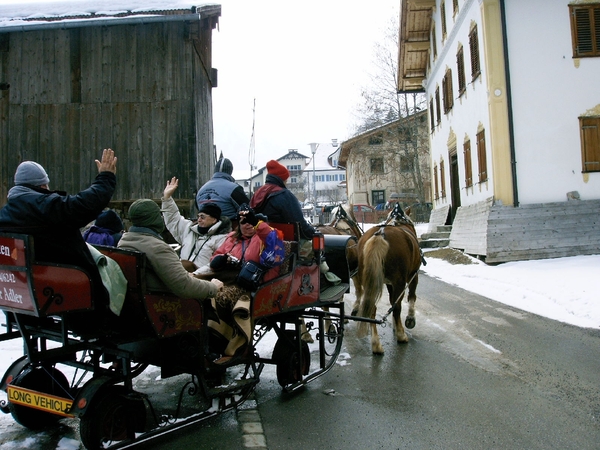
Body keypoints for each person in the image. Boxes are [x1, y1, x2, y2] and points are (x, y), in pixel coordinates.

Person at [0, 149, 118, 307]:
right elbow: (85, 204)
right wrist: (106, 177)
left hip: (26, 292)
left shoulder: (6, 214)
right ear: (43, 185)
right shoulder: (46, 207)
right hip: (67, 289)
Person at [201, 204, 280, 364]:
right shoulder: (232, 238)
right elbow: (216, 257)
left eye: (251, 221)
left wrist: (258, 224)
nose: (247, 224)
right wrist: (220, 260)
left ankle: (222, 347)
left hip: (252, 285)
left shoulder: (266, 236)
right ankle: (203, 342)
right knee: (202, 293)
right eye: (243, 221)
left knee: (218, 299)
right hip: (226, 279)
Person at [117, 199, 223, 300]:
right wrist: (212, 287)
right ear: (153, 219)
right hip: (163, 302)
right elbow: (184, 286)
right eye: (159, 215)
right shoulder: (159, 248)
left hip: (135, 301)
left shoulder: (124, 242)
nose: (162, 218)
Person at [162, 177, 231, 275]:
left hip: (201, 277)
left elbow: (215, 264)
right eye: (198, 216)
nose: (198, 220)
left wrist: (195, 275)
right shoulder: (189, 229)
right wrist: (167, 198)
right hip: (181, 273)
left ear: (214, 220)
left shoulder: (222, 238)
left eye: (202, 217)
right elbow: (173, 219)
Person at [249, 159, 316, 241]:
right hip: (281, 242)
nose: (286, 183)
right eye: (286, 180)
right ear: (282, 180)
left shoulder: (257, 194)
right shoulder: (285, 195)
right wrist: (313, 233)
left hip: (257, 240)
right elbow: (300, 224)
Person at [196, 157, 250, 225]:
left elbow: (198, 209)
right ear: (230, 171)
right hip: (227, 230)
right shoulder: (234, 189)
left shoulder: (201, 190)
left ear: (215, 170)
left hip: (204, 230)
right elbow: (248, 210)